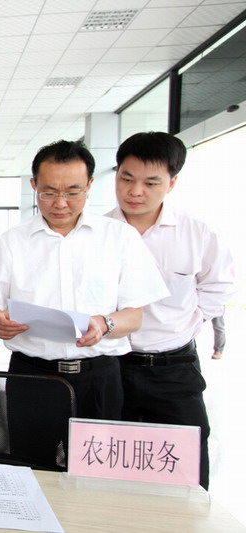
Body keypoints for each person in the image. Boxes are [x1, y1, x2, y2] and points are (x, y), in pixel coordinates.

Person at [0, 140, 167, 468]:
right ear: (34, 185)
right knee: (30, 467)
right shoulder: (13, 241)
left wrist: (105, 324)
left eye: (73, 191)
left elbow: (135, 316)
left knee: (96, 470)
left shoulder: (118, 237)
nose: (60, 203)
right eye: (49, 192)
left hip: (98, 378)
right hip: (32, 376)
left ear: (89, 185)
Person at [107, 131, 235, 489]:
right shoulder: (98, 232)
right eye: (126, 179)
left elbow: (218, 285)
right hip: (113, 366)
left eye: (151, 183)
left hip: (174, 368)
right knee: (113, 467)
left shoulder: (198, 233)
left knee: (187, 469)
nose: (135, 191)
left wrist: (189, 322)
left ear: (172, 182)